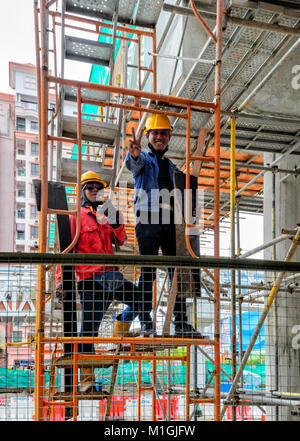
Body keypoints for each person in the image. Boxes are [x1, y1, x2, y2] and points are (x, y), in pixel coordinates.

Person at [55, 170, 144, 392]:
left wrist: (116, 221)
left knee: (141, 299)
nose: (95, 190)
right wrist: (60, 282)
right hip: (90, 280)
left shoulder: (105, 215)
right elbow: (65, 251)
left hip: (111, 277)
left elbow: (121, 240)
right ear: (83, 191)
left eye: (98, 188)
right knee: (88, 332)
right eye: (90, 187)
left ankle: (119, 328)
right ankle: (86, 383)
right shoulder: (75, 216)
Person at [124, 113, 204, 338]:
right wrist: (133, 154)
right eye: (155, 133)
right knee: (148, 273)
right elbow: (133, 163)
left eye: (163, 133)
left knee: (177, 272)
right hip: (148, 220)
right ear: (148, 136)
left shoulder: (171, 166)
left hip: (171, 222)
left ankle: (181, 322)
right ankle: (147, 323)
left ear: (168, 136)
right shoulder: (144, 160)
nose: (159, 137)